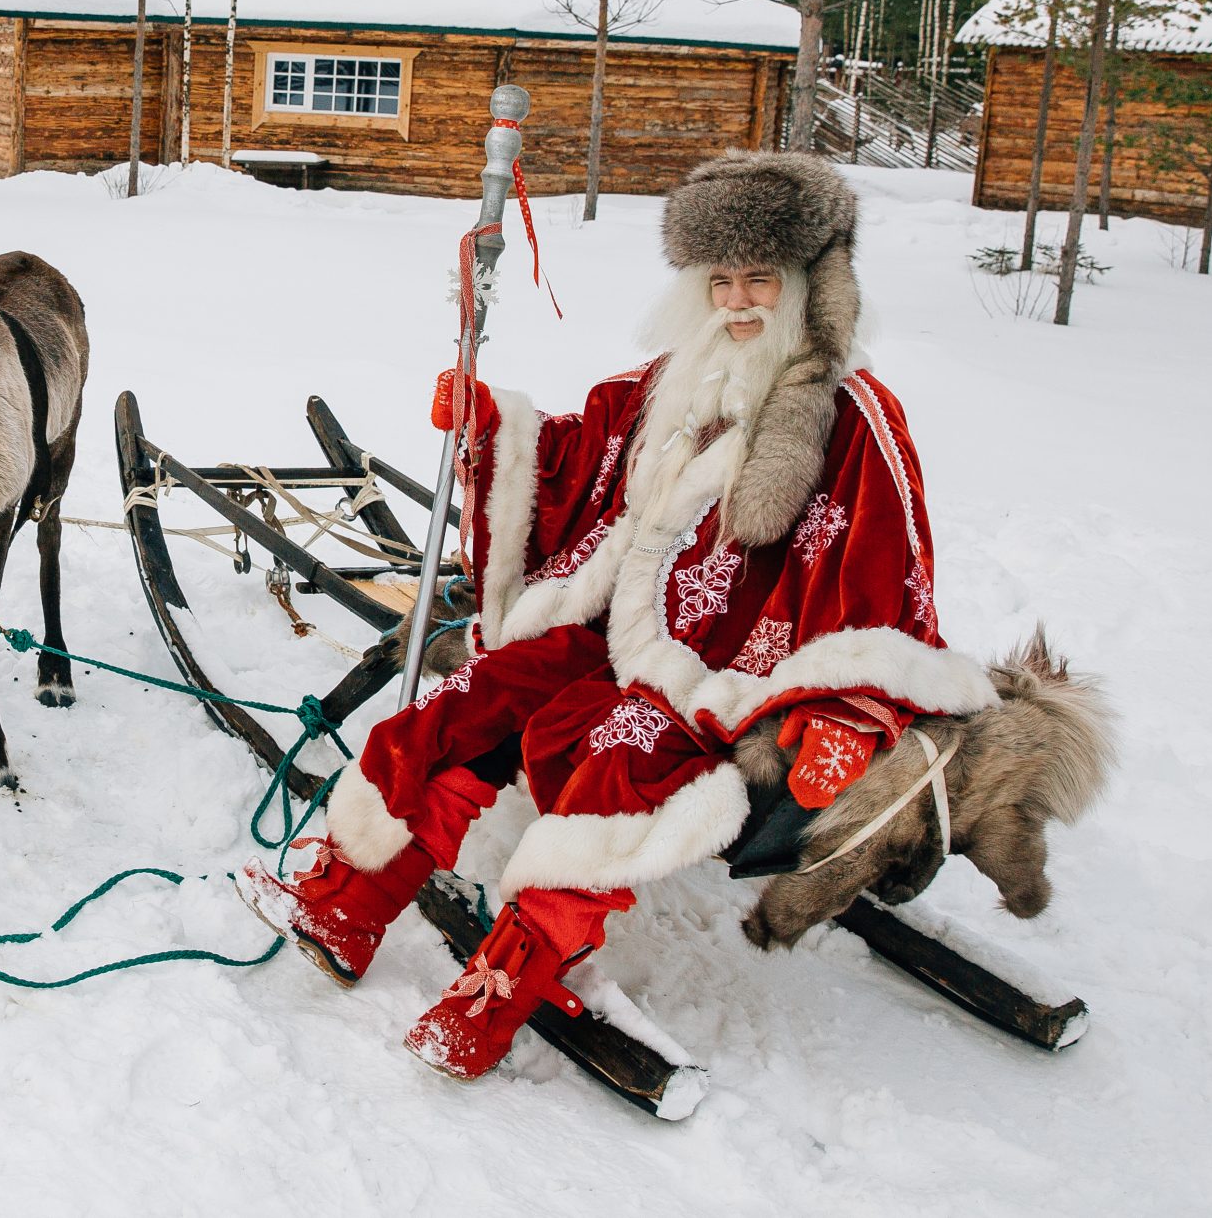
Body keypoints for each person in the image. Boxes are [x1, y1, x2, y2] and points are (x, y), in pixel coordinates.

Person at [238, 151, 1000, 1080]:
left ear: (807, 282)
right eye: (720, 280)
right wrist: (491, 423)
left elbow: (885, 569)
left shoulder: (854, 415)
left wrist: (841, 706)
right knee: (480, 693)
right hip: (611, 632)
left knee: (616, 758)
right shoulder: (678, 380)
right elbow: (582, 449)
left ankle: (501, 988)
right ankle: (347, 903)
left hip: (726, 679)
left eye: (759, 278)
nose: (738, 302)